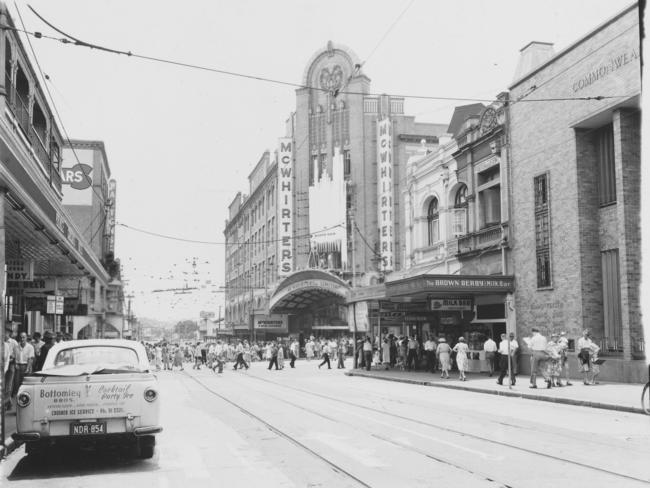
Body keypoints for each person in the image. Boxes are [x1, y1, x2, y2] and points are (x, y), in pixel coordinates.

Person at [13, 332, 35, 400]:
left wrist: (28, 368)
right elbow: (14, 357)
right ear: (19, 338)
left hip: (26, 366)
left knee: (26, 384)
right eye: (21, 337)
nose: (22, 339)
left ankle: (27, 399)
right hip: (18, 366)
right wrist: (15, 364)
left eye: (24, 337)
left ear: (26, 338)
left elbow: (30, 358)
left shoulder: (30, 347)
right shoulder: (16, 347)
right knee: (17, 384)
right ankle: (18, 399)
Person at [3, 326, 18, 411]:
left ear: (9, 333)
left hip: (11, 364)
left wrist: (12, 358)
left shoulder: (13, 342)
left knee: (8, 385)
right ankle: (8, 403)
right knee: (4, 385)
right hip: (4, 363)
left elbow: (17, 354)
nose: (4, 334)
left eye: (6, 332)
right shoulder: (2, 343)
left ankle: (5, 403)